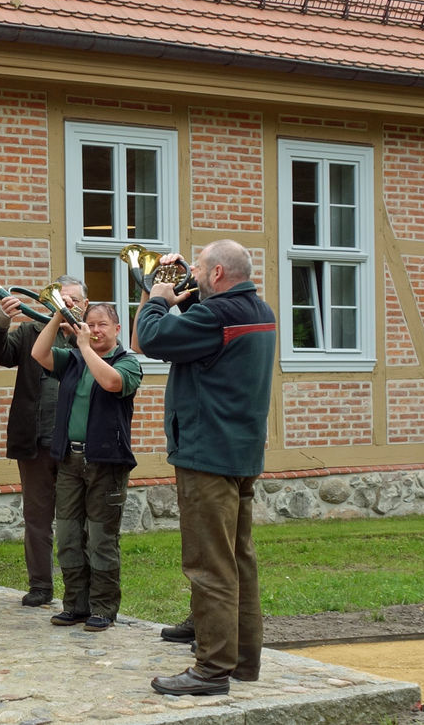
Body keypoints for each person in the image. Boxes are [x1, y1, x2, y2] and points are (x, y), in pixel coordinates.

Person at [136, 239, 276, 697]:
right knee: (239, 559)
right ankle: (243, 661)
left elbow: (152, 338)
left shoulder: (216, 317)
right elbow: (205, 326)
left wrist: (158, 293)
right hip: (241, 453)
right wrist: (180, 283)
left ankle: (211, 669)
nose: (192, 275)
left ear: (217, 274)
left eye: (197, 269)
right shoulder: (259, 311)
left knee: (209, 565)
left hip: (206, 455)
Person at [30, 301, 140, 632]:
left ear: (117, 329)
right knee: (67, 535)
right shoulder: (74, 359)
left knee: (101, 539)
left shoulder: (128, 362)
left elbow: (110, 383)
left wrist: (83, 346)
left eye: (102, 324)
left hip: (107, 462)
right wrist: (56, 318)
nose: (94, 329)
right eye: (89, 324)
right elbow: (39, 353)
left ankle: (104, 607)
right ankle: (75, 604)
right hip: (69, 459)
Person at [0, 276, 86, 608]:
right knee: (37, 518)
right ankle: (40, 585)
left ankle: (79, 589)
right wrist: (1, 321)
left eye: (75, 300)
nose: (69, 305)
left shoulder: (90, 337)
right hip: (35, 441)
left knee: (76, 520)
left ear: (85, 303)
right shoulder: (30, 333)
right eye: (61, 299)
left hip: (77, 444)